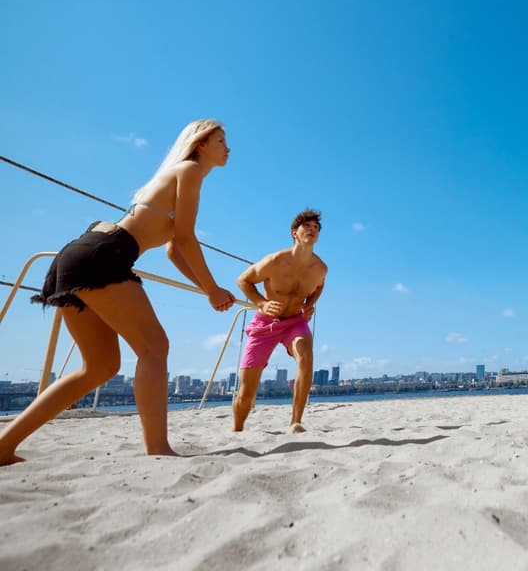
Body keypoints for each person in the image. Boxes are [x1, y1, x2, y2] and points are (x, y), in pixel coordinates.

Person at [0, 120, 236, 465]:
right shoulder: (190, 170)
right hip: (104, 254)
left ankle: (3, 446)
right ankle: (158, 449)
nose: (228, 148)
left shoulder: (180, 175)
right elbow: (186, 239)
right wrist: (213, 289)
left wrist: (208, 290)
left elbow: (174, 250)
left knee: (99, 366)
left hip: (83, 253)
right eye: (221, 140)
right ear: (200, 144)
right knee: (154, 347)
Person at [232, 209, 327, 434]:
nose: (312, 230)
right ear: (294, 232)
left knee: (306, 356)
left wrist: (310, 304)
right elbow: (243, 280)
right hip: (265, 323)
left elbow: (319, 286)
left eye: (316, 228)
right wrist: (261, 303)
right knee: (246, 393)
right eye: (307, 226)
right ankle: (237, 429)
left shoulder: (320, 268)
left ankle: (296, 421)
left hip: (295, 322)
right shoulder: (275, 261)